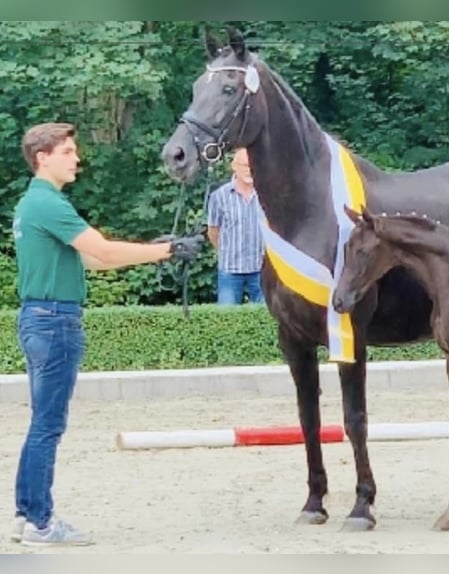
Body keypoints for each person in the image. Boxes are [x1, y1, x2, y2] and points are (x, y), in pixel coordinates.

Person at [9, 122, 203, 547]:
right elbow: (102, 249)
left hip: (38, 317)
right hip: (56, 321)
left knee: (41, 423)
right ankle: (41, 522)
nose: (76, 158)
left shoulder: (32, 204)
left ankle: (27, 515)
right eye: (68, 151)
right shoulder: (48, 204)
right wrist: (168, 250)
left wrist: (153, 248)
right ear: (43, 157)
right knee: (48, 425)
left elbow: (92, 261)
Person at [206, 147, 265, 304]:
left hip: (261, 268)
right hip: (229, 270)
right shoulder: (219, 196)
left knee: (268, 318)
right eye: (245, 165)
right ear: (234, 166)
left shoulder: (266, 193)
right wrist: (225, 251)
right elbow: (213, 231)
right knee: (226, 318)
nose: (250, 170)